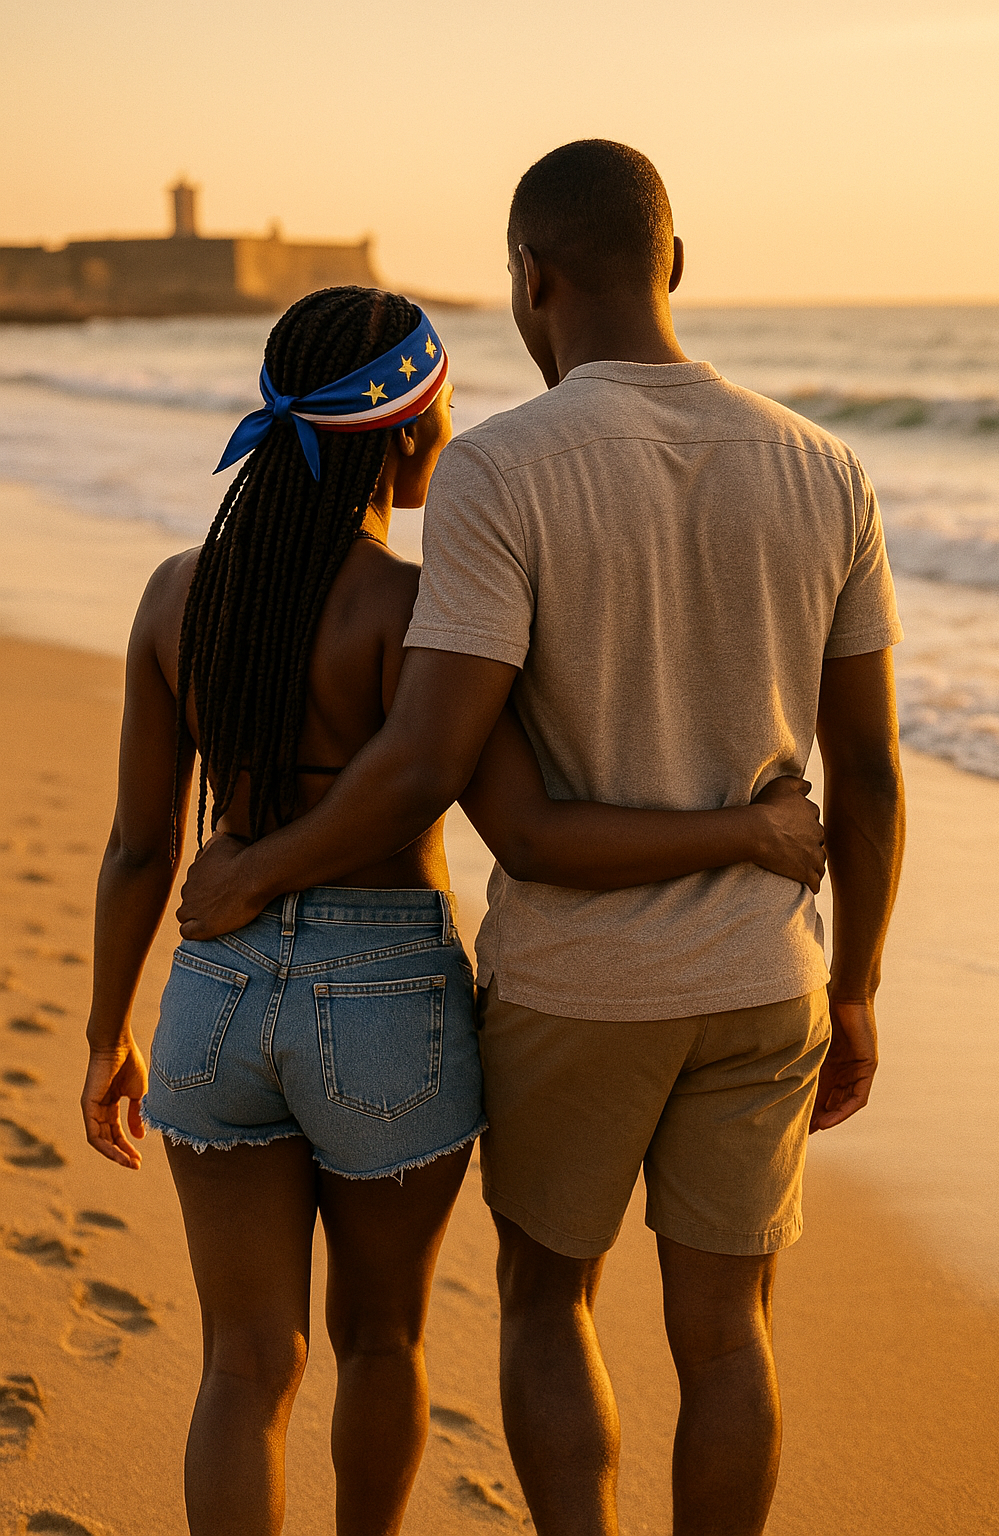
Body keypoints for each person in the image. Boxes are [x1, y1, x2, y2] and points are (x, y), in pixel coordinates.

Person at [81, 283, 827, 1536]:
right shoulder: (419, 607)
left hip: (213, 991)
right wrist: (750, 830)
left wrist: (107, 1031)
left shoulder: (174, 594)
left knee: (245, 1363)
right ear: (411, 433)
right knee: (381, 1341)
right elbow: (516, 820)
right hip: (384, 998)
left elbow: (135, 847)